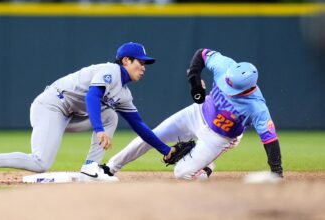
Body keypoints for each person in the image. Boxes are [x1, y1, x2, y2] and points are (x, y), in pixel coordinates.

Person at [0, 42, 174, 184]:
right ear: (126, 60)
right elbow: (92, 97)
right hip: (51, 106)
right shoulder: (110, 70)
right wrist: (98, 129)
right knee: (40, 163)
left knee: (111, 115)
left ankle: (90, 167)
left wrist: (165, 149)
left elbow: (139, 126)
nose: (144, 66)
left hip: (71, 115)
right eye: (141, 61)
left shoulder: (124, 94)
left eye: (146, 63)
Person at [103, 48, 283, 180]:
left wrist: (277, 174)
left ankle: (205, 166)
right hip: (197, 112)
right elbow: (202, 54)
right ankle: (109, 168)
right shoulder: (225, 66)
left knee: (182, 174)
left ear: (247, 89)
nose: (226, 86)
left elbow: (270, 140)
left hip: (219, 136)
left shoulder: (257, 107)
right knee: (151, 136)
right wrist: (195, 82)